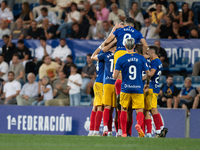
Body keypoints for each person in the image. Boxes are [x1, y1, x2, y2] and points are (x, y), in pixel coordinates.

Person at [113, 38, 150, 137]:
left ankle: (124, 133)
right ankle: (138, 125)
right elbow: (148, 73)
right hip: (138, 88)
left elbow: (115, 76)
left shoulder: (121, 59)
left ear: (125, 46)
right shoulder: (141, 58)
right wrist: (147, 83)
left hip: (125, 88)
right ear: (134, 46)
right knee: (140, 110)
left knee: (124, 109)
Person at [93, 44, 116, 136]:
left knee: (101, 107)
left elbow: (93, 56)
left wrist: (101, 46)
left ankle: (101, 129)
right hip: (114, 83)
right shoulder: (119, 54)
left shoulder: (103, 55)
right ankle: (118, 132)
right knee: (115, 109)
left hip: (103, 82)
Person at [147, 45, 168, 138]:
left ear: (152, 52)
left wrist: (143, 75)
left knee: (153, 109)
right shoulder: (159, 61)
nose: (147, 54)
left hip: (151, 88)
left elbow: (151, 73)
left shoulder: (155, 61)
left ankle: (159, 130)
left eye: (148, 52)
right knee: (152, 109)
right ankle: (161, 127)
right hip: (155, 87)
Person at [88, 45, 104, 136]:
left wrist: (100, 46)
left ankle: (91, 130)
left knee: (95, 106)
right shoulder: (105, 55)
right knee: (99, 107)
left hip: (98, 82)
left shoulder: (100, 54)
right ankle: (95, 131)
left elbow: (93, 55)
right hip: (101, 83)